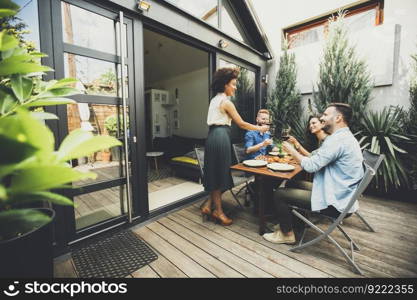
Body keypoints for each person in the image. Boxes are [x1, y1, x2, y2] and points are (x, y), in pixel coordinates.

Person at [263, 103, 364, 244]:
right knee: (293, 183)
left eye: (326, 115)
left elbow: (311, 166)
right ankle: (295, 225)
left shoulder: (337, 140)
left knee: (280, 194)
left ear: (338, 118)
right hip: (340, 194)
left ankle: (287, 234)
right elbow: (316, 159)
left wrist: (292, 150)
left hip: (334, 201)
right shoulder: (344, 137)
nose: (322, 118)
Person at [202, 67, 269, 226]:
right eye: (233, 84)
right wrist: (260, 128)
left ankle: (208, 205)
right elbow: (241, 124)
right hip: (220, 137)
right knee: (220, 176)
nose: (236, 87)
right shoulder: (226, 102)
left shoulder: (214, 100)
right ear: (225, 84)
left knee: (215, 174)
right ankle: (218, 211)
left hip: (212, 137)